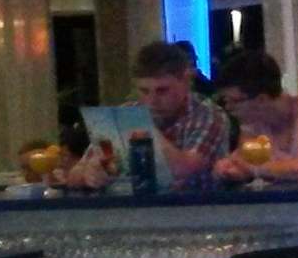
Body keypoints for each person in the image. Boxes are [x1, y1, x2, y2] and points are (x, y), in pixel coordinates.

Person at [69, 42, 230, 191]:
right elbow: (73, 175)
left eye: (162, 90)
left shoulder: (208, 116)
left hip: (194, 208)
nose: (152, 100)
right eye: (144, 91)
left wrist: (145, 127)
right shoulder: (126, 113)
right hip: (130, 209)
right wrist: (87, 175)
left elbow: (183, 170)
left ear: (186, 81)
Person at [212, 49, 298, 185]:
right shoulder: (252, 127)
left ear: (261, 100)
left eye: (234, 101)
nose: (228, 108)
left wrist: (256, 168)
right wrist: (227, 169)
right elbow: (242, 163)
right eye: (225, 101)